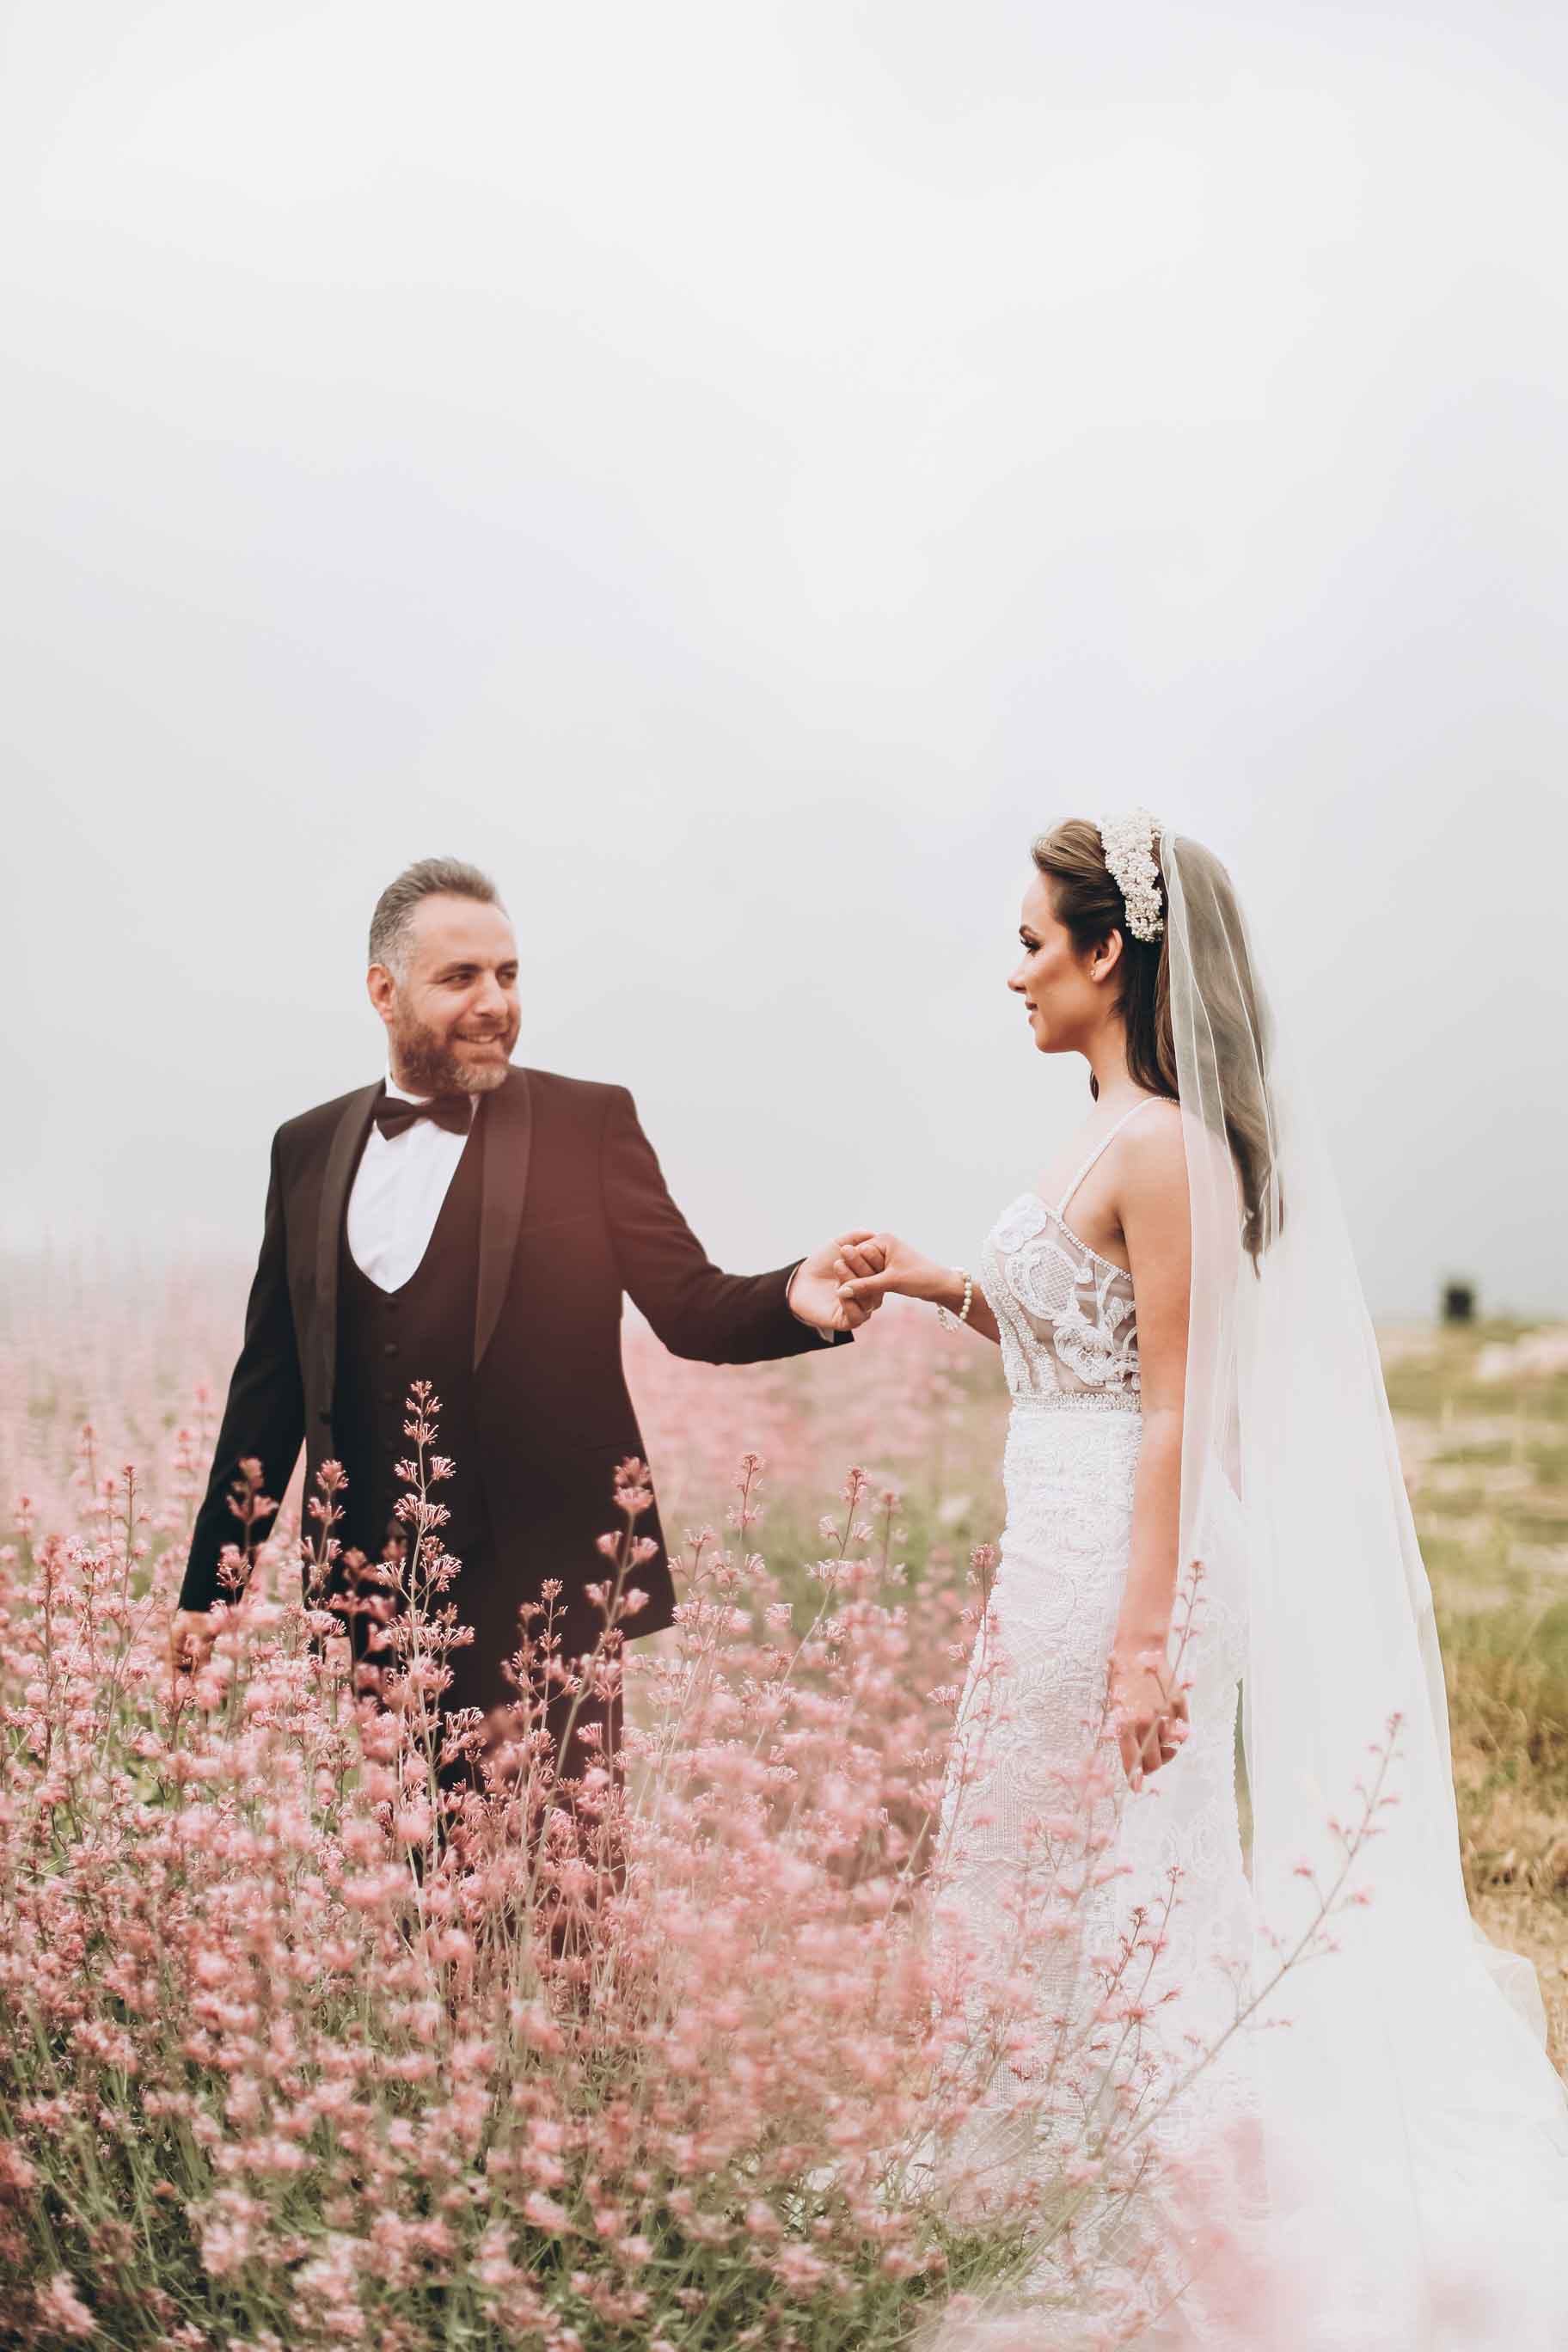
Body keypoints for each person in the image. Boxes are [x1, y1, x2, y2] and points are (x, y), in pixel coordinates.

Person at [835, 816, 1568, 2348]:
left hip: (1124, 1557)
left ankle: (1157, 2230)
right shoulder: (1103, 1132)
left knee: (1120, 1887)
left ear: (1108, 951)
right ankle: (1030, 2179)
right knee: (1024, 1871)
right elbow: (1077, 1347)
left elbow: (1170, 1403)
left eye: (1033, 943)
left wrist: (1142, 1643)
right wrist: (933, 1281)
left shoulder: (1162, 1146)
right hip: (1059, 1542)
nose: (1014, 973)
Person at [170, 854, 879, 1793]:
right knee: (406, 1874)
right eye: (460, 978)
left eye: (508, 975)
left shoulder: (588, 1123)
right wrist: (210, 1592)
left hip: (547, 1603)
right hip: (369, 1606)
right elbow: (272, 1386)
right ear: (383, 992)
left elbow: (689, 1306)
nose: (495, 1003)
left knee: (561, 1880)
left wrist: (795, 1294)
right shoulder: (304, 1147)